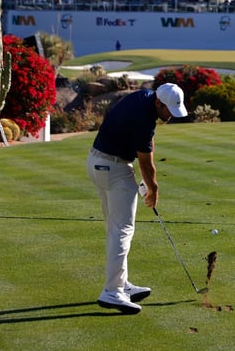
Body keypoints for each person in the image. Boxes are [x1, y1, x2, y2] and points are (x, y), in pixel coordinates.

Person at [87, 83, 188, 314]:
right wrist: (153, 189)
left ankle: (122, 284)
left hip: (96, 162)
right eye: (168, 110)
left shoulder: (143, 97)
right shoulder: (145, 118)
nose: (171, 116)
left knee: (114, 228)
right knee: (122, 230)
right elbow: (145, 162)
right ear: (158, 103)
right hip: (114, 167)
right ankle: (112, 292)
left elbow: (142, 144)